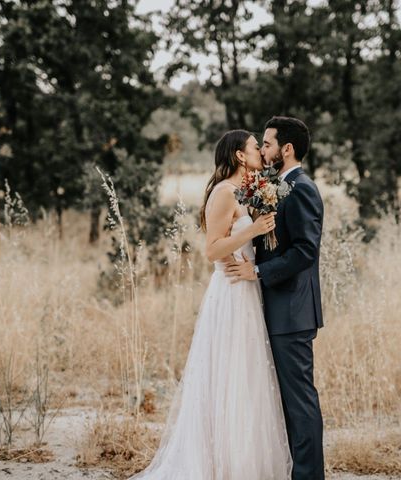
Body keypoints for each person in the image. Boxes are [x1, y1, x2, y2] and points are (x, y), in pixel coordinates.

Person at [130, 129, 292, 480]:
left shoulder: (245, 191)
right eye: (254, 147)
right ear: (238, 155)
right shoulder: (222, 192)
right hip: (230, 292)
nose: (260, 153)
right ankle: (220, 464)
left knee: (247, 376)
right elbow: (212, 250)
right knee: (229, 374)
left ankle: (244, 462)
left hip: (248, 290)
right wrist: (254, 230)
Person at [225, 116, 325, 480]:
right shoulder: (277, 184)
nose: (262, 150)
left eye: (267, 144)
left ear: (287, 148)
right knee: (284, 404)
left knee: (300, 404)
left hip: (293, 312)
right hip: (274, 308)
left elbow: (305, 251)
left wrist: (258, 272)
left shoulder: (302, 188)